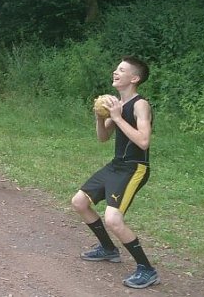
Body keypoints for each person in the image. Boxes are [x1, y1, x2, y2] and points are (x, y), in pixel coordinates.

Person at [70, 57, 158, 289]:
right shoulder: (117, 103)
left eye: (121, 70)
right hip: (116, 165)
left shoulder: (140, 105)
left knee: (113, 218)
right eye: (116, 68)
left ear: (135, 78)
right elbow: (102, 137)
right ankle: (108, 249)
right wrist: (101, 117)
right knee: (79, 202)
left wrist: (117, 117)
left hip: (134, 167)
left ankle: (147, 270)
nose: (115, 72)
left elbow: (144, 141)